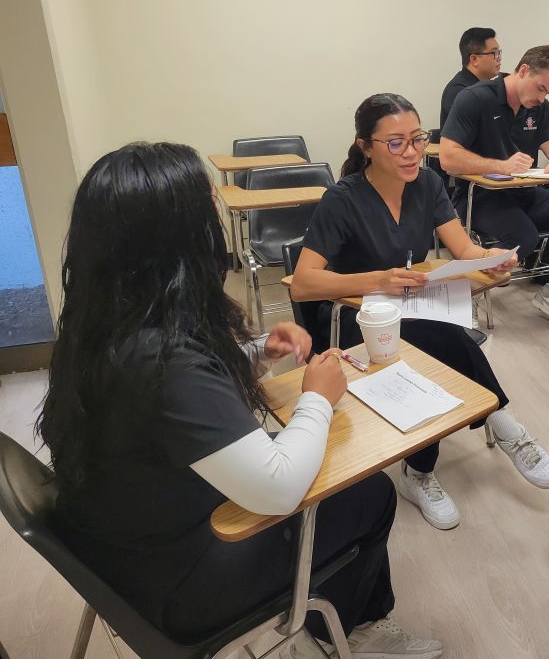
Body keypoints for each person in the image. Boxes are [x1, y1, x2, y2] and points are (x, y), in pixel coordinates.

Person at [37, 142, 441, 658]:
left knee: (324, 460)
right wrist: (317, 397)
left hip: (114, 539)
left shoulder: (105, 320)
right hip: (175, 581)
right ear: (178, 239)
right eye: (210, 207)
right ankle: (357, 631)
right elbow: (277, 488)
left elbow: (177, 407)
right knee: (371, 492)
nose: (219, 217)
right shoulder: (162, 360)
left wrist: (253, 354)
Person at [292, 93, 549, 530]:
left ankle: (426, 467)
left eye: (418, 139)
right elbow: (304, 283)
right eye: (396, 143)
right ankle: (496, 423)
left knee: (433, 335)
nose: (413, 152)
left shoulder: (427, 184)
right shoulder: (343, 200)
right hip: (352, 322)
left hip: (407, 307)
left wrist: (488, 257)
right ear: (366, 147)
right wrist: (376, 280)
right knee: (436, 339)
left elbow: (462, 248)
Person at [439, 45, 549, 330]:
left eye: (548, 93)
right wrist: (501, 166)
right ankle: (466, 294)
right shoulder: (474, 99)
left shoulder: (540, 108)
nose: (542, 98)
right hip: (479, 198)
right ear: (522, 71)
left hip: (526, 195)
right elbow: (448, 158)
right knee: (525, 236)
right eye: (540, 88)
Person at [440, 26, 503, 128]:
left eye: (499, 53)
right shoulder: (459, 91)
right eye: (494, 53)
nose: (499, 58)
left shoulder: (486, 88)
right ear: (474, 59)